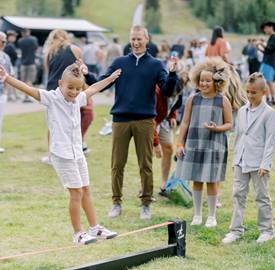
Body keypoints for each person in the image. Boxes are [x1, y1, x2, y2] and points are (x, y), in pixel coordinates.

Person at [0, 62, 121, 245]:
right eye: (70, 88)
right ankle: (78, 234)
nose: (74, 92)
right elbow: (29, 89)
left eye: (77, 88)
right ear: (60, 83)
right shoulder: (51, 98)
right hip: (62, 154)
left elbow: (94, 88)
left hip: (77, 152)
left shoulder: (78, 98)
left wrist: (111, 78)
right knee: (75, 193)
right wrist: (7, 78)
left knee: (86, 190)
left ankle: (95, 228)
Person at [101, 25, 178, 220]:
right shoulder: (119, 62)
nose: (136, 42)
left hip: (144, 121)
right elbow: (103, 83)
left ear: (147, 40)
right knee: (117, 164)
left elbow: (167, 90)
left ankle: (145, 204)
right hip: (121, 120)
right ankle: (116, 203)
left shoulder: (156, 65)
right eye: (133, 39)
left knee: (146, 164)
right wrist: (85, 74)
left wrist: (172, 74)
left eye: (139, 39)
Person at [175, 57, 232, 227]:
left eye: (208, 80)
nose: (204, 83)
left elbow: (229, 124)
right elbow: (184, 123)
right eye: (201, 80)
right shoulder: (193, 99)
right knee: (197, 180)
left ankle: (212, 216)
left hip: (214, 146)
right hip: (194, 143)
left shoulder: (223, 100)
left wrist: (217, 128)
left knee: (212, 181)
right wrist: (180, 144)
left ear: (216, 82)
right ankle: (198, 214)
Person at [222, 73, 275, 244]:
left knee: (261, 196)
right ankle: (236, 230)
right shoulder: (242, 110)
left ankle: (267, 230)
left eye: (254, 92)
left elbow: (270, 142)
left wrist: (265, 164)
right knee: (238, 195)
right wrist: (235, 160)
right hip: (241, 160)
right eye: (248, 92)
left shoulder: (270, 113)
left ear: (263, 92)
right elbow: (239, 136)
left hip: (259, 162)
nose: (250, 95)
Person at [43, 29, 84, 163]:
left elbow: (48, 72)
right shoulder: (75, 49)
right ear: (66, 37)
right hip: (71, 89)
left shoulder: (48, 52)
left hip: (53, 90)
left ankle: (51, 155)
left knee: (53, 125)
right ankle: (74, 151)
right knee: (72, 122)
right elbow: (80, 71)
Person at [257, 21, 275, 106]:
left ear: (271, 27)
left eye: (265, 28)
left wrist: (261, 44)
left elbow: (269, 49)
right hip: (268, 62)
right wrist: (259, 48)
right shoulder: (273, 37)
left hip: (268, 63)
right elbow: (267, 52)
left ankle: (268, 99)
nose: (264, 30)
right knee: (268, 81)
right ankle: (272, 99)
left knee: (264, 80)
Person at [17, 29, 38, 103]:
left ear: (22, 33)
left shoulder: (20, 41)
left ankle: (25, 97)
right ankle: (29, 97)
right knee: (30, 81)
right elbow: (36, 49)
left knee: (24, 82)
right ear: (28, 32)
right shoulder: (33, 39)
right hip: (32, 63)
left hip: (23, 63)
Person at [3, 30, 19, 102]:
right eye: (13, 36)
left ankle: (13, 95)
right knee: (11, 81)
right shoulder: (10, 45)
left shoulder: (8, 45)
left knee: (11, 81)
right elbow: (15, 55)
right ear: (9, 37)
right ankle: (10, 96)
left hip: (9, 65)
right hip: (10, 65)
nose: (15, 38)